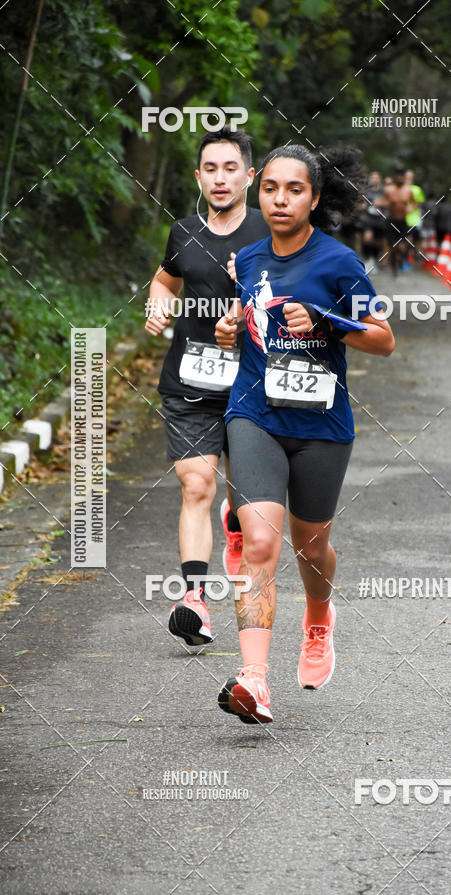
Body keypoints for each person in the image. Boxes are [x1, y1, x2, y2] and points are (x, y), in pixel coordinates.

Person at [214, 144, 395, 724]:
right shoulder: (247, 260)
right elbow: (251, 323)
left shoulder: (340, 263)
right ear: (258, 192)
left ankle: (319, 616)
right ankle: (254, 679)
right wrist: (230, 330)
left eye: (294, 189)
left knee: (310, 548)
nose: (280, 199)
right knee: (260, 543)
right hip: (255, 414)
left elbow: (383, 339)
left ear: (314, 198)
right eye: (270, 188)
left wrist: (328, 322)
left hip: (321, 425)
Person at [145, 127, 269, 647]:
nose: (220, 179)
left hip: (255, 384)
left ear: (250, 176)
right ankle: (194, 599)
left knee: (248, 504)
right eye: (210, 169)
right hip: (190, 381)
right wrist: (158, 304)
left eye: (230, 168)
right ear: (198, 177)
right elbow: (164, 279)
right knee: (196, 484)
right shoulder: (184, 232)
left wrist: (248, 306)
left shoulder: (271, 231)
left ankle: (235, 526)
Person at [376, 165, 414, 276]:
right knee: (389, 244)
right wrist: (380, 203)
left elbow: (414, 202)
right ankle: (388, 263)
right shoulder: (389, 189)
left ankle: (400, 259)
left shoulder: (408, 190)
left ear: (404, 177)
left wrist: (411, 207)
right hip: (391, 221)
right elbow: (382, 201)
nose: (400, 178)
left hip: (403, 222)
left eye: (402, 176)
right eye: (398, 176)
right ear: (395, 176)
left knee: (401, 246)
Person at [361, 171, 386, 273]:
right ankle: (368, 259)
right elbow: (361, 203)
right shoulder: (366, 191)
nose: (374, 179)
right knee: (367, 238)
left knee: (378, 242)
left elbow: (389, 202)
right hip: (368, 218)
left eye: (376, 178)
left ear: (379, 179)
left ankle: (374, 261)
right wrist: (363, 205)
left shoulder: (383, 191)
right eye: (372, 177)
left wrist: (381, 203)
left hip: (380, 219)